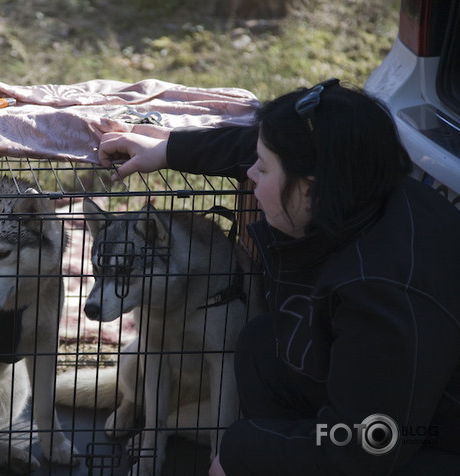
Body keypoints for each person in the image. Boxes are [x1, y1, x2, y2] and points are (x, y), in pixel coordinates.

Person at [97, 80, 460, 475]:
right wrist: (167, 149)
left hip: (427, 443)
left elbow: (370, 441)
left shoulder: (381, 293)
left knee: (249, 444)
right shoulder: (364, 183)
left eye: (263, 169)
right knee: (259, 346)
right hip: (388, 410)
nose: (250, 174)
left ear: (310, 191)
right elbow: (257, 148)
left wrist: (243, 453)